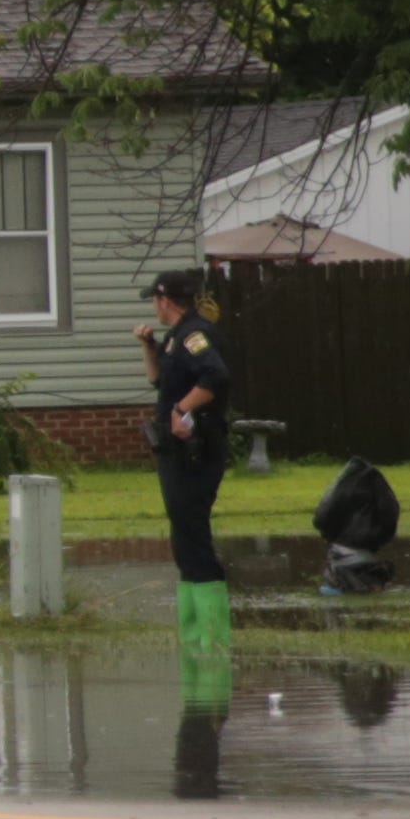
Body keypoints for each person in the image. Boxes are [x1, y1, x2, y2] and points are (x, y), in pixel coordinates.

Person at [135, 268, 233, 652]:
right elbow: (160, 380)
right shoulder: (176, 339)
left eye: (154, 300)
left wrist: (181, 410)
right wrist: (148, 345)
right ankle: (194, 633)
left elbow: (215, 376)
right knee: (182, 530)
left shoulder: (195, 335)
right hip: (176, 452)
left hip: (197, 450)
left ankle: (212, 631)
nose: (154, 307)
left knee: (191, 528)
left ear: (165, 300)